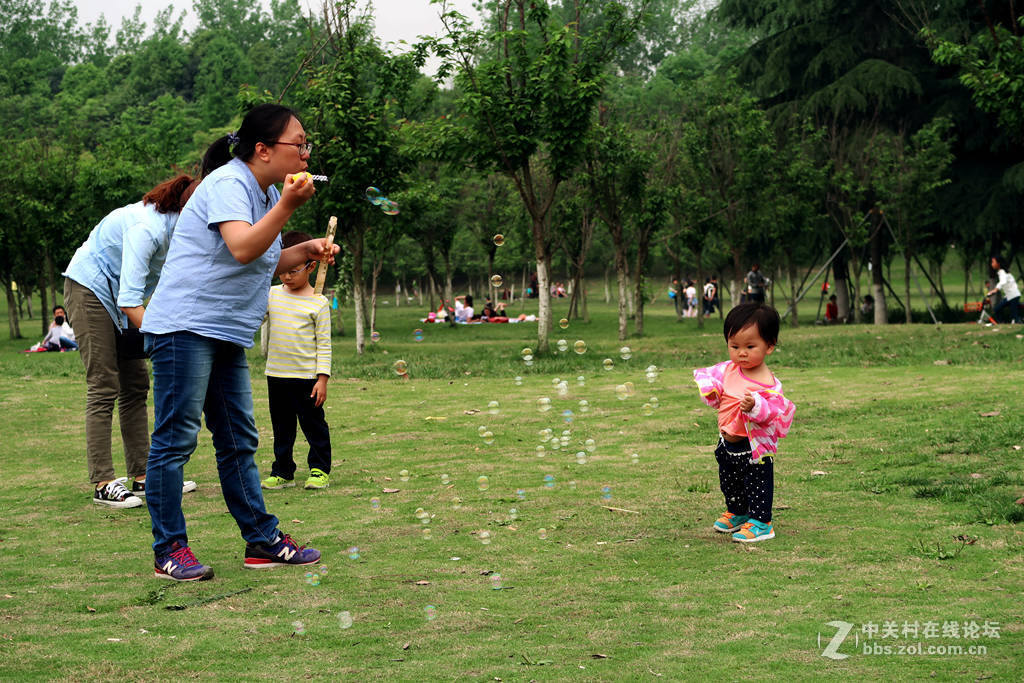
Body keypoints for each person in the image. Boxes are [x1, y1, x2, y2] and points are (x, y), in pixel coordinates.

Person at [141, 104, 337, 581]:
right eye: (300, 143)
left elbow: (260, 259)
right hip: (185, 327)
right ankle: (168, 550)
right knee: (175, 440)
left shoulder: (263, 189)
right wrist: (289, 208)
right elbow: (242, 246)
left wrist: (304, 250)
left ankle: (261, 541)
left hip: (224, 330)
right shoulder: (231, 183)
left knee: (237, 440)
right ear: (264, 149)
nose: (306, 152)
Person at [63, 174, 198, 509]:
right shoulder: (147, 228)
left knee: (136, 385)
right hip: (89, 290)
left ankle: (142, 474)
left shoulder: (178, 230)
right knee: (103, 383)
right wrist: (163, 338)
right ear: (186, 209)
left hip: (119, 297)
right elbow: (129, 299)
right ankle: (103, 481)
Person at [693, 303, 795, 543]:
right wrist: (710, 393)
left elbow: (775, 413)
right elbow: (715, 393)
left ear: (769, 346)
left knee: (758, 483)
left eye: (750, 346)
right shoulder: (728, 370)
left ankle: (761, 522)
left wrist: (756, 407)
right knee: (730, 482)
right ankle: (738, 512)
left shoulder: (769, 384)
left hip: (754, 447)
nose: (741, 353)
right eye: (734, 346)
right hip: (727, 441)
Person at [261, 231, 333, 492]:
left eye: (294, 270)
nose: (287, 276)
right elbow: (257, 319)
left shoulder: (319, 303)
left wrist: (322, 379)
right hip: (276, 375)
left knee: (313, 424)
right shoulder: (271, 294)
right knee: (281, 426)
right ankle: (282, 470)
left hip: (307, 379)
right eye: (283, 270)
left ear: (311, 266)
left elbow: (324, 344)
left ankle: (319, 469)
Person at [987, 256, 1021, 324]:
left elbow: (1003, 281)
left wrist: (995, 290)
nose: (992, 264)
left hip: (1013, 295)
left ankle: (1016, 323)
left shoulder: (1002, 272)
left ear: (998, 263)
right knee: (997, 309)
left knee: (1015, 316)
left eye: (993, 262)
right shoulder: (1002, 272)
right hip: (1009, 296)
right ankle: (1001, 323)